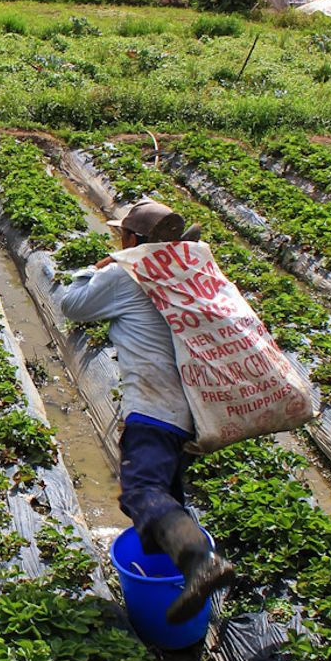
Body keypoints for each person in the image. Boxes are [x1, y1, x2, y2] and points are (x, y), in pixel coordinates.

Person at [58, 200, 236, 623]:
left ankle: (199, 561)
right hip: (195, 409)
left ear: (133, 240)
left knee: (140, 492)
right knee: (168, 495)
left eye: (123, 236)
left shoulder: (126, 274)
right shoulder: (185, 269)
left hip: (154, 409)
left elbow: (72, 305)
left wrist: (99, 267)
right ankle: (182, 575)